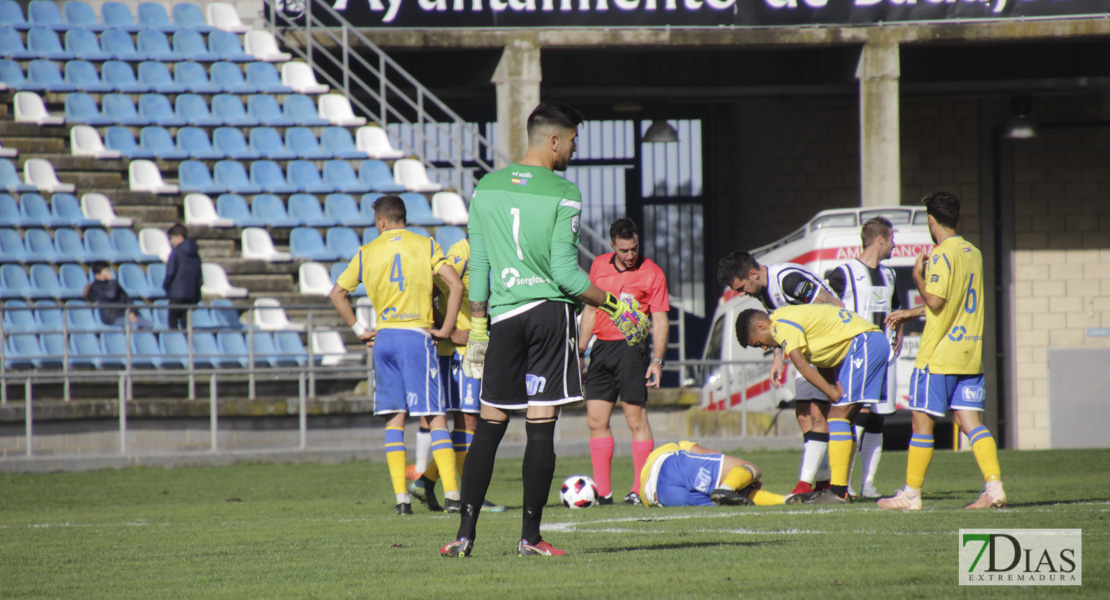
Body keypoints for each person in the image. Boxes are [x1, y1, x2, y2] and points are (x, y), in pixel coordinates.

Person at [440, 101, 650, 558]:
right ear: (554, 141)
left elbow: (478, 265)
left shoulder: (485, 188)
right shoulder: (564, 191)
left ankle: (463, 535)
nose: (575, 149)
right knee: (540, 427)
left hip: (504, 316)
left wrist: (478, 327)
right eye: (573, 141)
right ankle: (529, 538)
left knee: (490, 426)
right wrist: (617, 304)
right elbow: (567, 276)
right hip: (549, 317)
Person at [329, 195, 466, 516]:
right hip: (416, 336)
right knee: (434, 416)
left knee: (395, 416)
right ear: (402, 217)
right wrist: (446, 329)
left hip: (385, 336)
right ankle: (453, 496)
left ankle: (402, 501)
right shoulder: (426, 245)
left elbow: (337, 293)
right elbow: (455, 285)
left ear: (380, 222)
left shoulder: (366, 252)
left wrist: (360, 329)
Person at [878, 191, 1005, 511]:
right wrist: (909, 313)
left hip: (939, 355)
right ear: (958, 219)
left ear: (931, 222)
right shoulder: (973, 252)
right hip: (970, 352)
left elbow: (936, 301)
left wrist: (918, 276)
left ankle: (911, 493)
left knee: (922, 423)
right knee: (971, 422)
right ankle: (994, 488)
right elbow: (951, 303)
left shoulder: (941, 255)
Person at [717, 251, 843, 497]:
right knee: (804, 413)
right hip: (806, 350)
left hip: (827, 347)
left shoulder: (788, 281)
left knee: (819, 413)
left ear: (753, 274)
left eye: (741, 288)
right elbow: (780, 324)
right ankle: (823, 482)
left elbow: (831, 304)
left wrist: (833, 345)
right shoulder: (763, 291)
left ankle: (810, 485)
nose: (742, 294)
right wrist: (778, 357)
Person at [735, 303, 889, 503]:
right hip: (870, 343)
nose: (764, 347)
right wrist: (833, 386)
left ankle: (838, 491)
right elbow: (821, 360)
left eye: (758, 343)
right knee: (845, 419)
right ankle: (841, 490)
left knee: (837, 416)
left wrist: (832, 392)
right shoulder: (786, 318)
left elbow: (801, 364)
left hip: (865, 344)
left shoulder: (781, 325)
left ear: (761, 327)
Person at [409, 236, 506, 514]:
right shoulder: (461, 254)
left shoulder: (496, 249)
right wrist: (448, 330)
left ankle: (426, 481)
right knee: (469, 423)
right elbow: (429, 291)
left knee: (471, 423)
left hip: (477, 350)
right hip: (458, 353)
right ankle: (469, 496)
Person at [578, 218, 669, 506]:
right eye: (624, 250)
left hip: (632, 350)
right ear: (612, 246)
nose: (631, 255)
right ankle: (602, 494)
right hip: (601, 349)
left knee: (635, 420)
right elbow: (590, 310)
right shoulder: (599, 266)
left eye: (634, 248)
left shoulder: (653, 273)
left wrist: (657, 360)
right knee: (596, 420)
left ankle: (638, 490)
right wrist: (580, 351)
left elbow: (660, 319)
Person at [825, 216, 903, 498]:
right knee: (854, 412)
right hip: (857, 354)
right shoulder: (843, 273)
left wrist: (899, 334)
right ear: (880, 239)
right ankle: (840, 482)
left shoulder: (891, 275)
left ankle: (867, 483)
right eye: (892, 239)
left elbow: (896, 309)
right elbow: (824, 307)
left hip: (885, 355)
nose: (894, 246)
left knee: (878, 419)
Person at [639, 440, 806, 507]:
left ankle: (784, 500)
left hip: (659, 497)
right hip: (669, 466)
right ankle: (727, 486)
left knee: (731, 498)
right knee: (752, 468)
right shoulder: (678, 445)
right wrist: (741, 477)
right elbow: (707, 453)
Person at [82, 261, 151, 329]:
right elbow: (111, 294)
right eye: (106, 271)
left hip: (126, 315)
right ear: (98, 274)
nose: (109, 273)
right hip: (113, 318)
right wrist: (111, 280)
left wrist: (132, 312)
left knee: (148, 324)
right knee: (132, 326)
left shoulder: (114, 284)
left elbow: (127, 299)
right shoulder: (96, 287)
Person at [162, 224, 202, 330]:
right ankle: (186, 345)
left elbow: (170, 273)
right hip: (191, 295)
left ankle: (175, 345)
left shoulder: (176, 253)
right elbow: (199, 278)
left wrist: (166, 286)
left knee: (173, 323)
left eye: (172, 238)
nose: (171, 242)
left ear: (179, 236)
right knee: (186, 325)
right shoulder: (196, 255)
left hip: (176, 294)